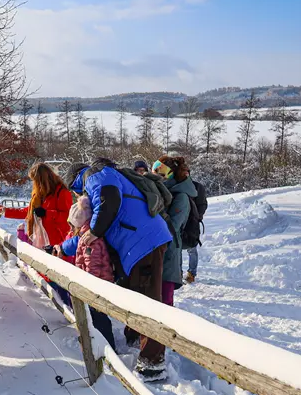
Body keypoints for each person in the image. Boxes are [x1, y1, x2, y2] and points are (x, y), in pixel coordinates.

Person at [65, 158, 172, 381]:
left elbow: (109, 201)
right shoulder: (103, 176)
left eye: (75, 190)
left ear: (76, 180)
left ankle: (153, 363)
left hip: (143, 241)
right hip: (141, 241)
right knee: (135, 293)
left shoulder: (96, 176)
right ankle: (135, 337)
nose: (78, 195)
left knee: (148, 300)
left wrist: (95, 230)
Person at [57, 193, 117, 349]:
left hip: (97, 284)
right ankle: (96, 341)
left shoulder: (90, 239)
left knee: (98, 316)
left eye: (73, 225)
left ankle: (107, 346)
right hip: (95, 282)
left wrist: (88, 284)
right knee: (94, 315)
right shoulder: (86, 234)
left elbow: (93, 264)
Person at [154, 156, 198, 305]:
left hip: (170, 251)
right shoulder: (161, 190)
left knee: (165, 302)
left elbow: (172, 226)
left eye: (159, 172)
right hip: (156, 249)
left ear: (169, 174)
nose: (155, 175)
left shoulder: (181, 196)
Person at [1, 162, 72, 249]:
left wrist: (47, 213)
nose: (34, 183)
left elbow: (67, 217)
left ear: (42, 180)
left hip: (56, 242)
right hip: (39, 239)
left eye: (35, 180)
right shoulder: (39, 194)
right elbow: (30, 212)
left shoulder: (62, 192)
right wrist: (7, 211)